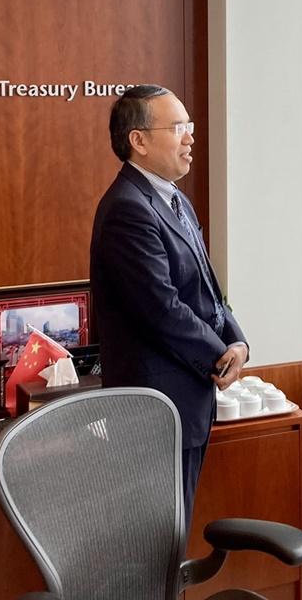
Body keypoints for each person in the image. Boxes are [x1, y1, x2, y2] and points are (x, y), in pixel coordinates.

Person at [90, 84, 248, 525]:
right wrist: (219, 354)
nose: (190, 138)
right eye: (178, 128)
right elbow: (162, 308)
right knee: (153, 534)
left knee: (173, 527)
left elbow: (207, 288)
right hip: (155, 409)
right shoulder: (128, 209)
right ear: (138, 140)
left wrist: (237, 340)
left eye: (189, 126)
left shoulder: (174, 198)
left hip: (186, 400)